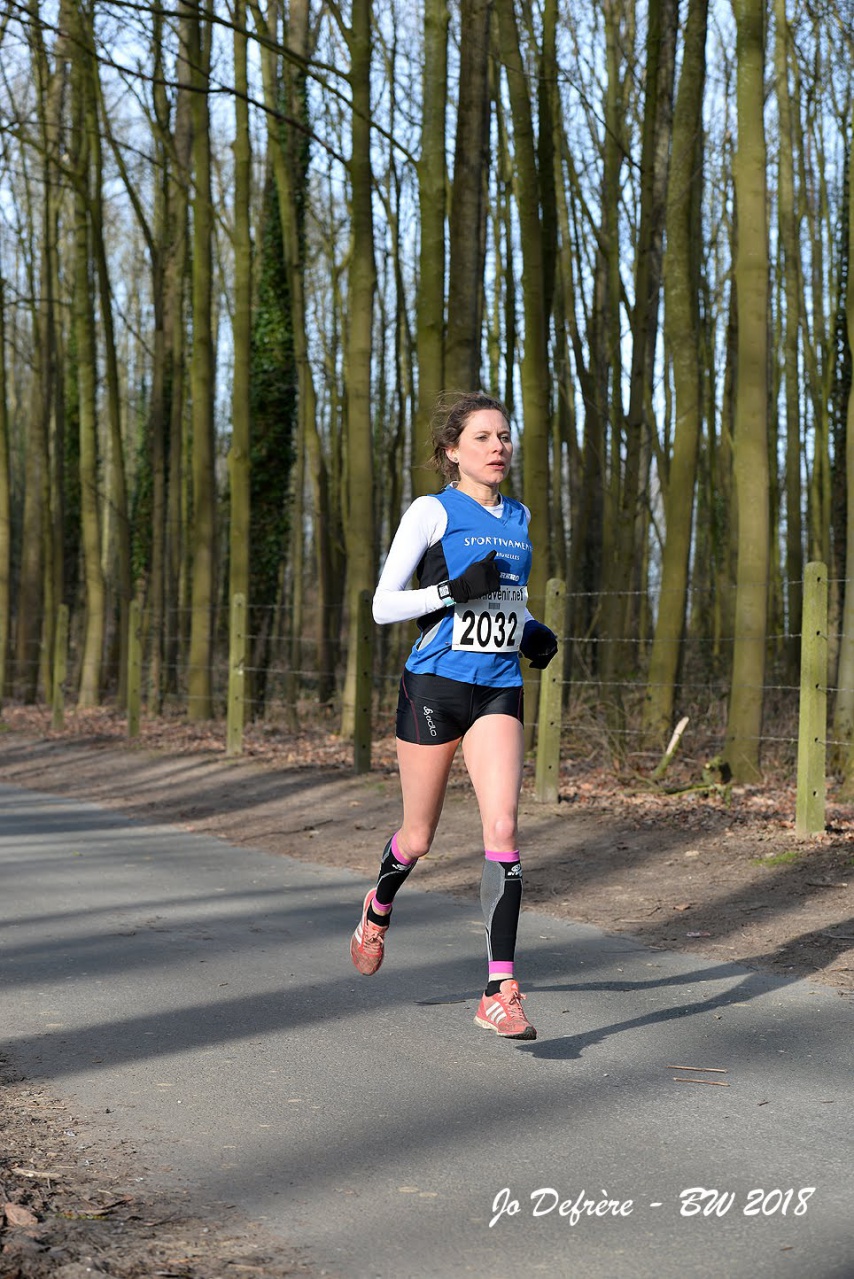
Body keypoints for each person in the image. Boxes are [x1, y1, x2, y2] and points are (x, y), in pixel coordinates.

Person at [349, 391, 558, 1040]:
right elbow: (383, 605)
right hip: (435, 685)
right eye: (483, 437)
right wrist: (449, 591)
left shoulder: (519, 515)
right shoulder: (431, 511)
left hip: (498, 686)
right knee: (418, 838)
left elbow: (508, 598)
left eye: (505, 436)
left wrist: (529, 628)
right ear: (452, 451)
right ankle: (378, 906)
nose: (499, 447)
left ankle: (499, 989)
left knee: (504, 826)